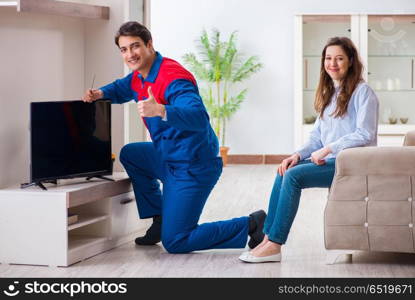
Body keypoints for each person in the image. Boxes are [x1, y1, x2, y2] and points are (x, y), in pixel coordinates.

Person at [82, 21, 265, 254]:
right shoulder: (139, 75)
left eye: (135, 46)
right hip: (167, 156)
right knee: (131, 154)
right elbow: (122, 88)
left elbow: (198, 117)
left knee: (176, 241)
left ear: (149, 44)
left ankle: (251, 223)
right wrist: (101, 93)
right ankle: (160, 218)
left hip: (193, 165)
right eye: (124, 49)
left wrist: (161, 110)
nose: (130, 54)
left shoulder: (173, 77)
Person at [239, 37, 379, 263]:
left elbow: (365, 134)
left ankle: (275, 244)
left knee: (294, 177)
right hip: (331, 161)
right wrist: (296, 155)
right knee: (285, 169)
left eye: (339, 58)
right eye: (328, 58)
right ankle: (267, 239)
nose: (333, 63)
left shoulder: (364, 92)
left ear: (351, 61)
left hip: (352, 164)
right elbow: (316, 136)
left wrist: (328, 149)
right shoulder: (330, 93)